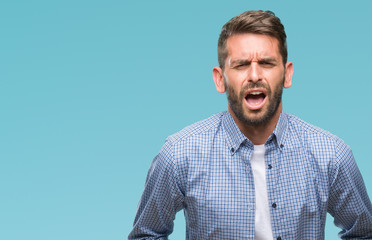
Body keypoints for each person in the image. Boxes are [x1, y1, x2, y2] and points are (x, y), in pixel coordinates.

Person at [128, 10, 372, 239]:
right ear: (220, 79)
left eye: (266, 63)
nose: (254, 75)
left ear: (287, 74)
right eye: (241, 64)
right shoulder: (179, 154)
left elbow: (364, 233)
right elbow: (146, 234)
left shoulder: (331, 155)